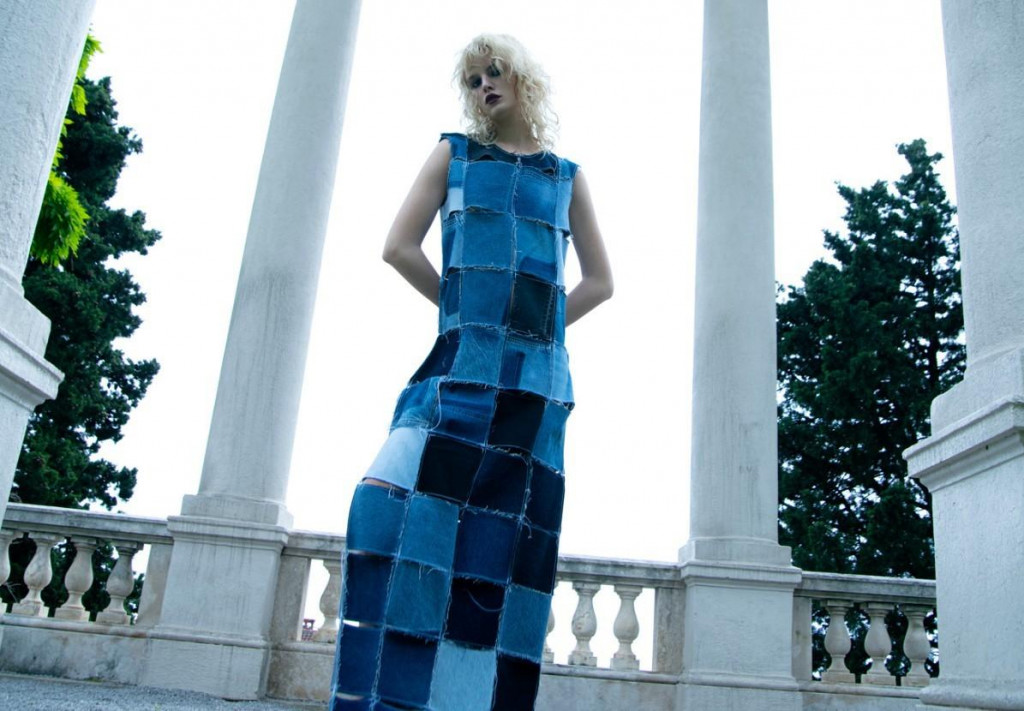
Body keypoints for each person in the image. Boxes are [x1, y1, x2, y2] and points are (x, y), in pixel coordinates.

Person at [329, 33, 613, 711]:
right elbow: (398, 247)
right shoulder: (454, 154)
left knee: (501, 556)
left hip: (534, 389)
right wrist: (460, 313)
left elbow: (601, 282)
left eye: (494, 72)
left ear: (522, 79)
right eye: (473, 78)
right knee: (381, 499)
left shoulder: (565, 177)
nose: (484, 85)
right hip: (457, 366)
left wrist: (538, 331)